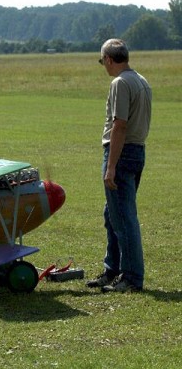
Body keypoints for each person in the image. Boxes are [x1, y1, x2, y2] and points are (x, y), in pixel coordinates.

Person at [86, 39, 152, 293]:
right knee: (111, 214)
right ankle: (112, 269)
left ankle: (132, 277)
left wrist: (111, 165)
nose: (104, 66)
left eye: (103, 62)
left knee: (124, 218)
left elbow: (120, 125)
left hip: (121, 154)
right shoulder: (141, 80)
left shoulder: (120, 83)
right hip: (137, 152)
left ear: (110, 60)